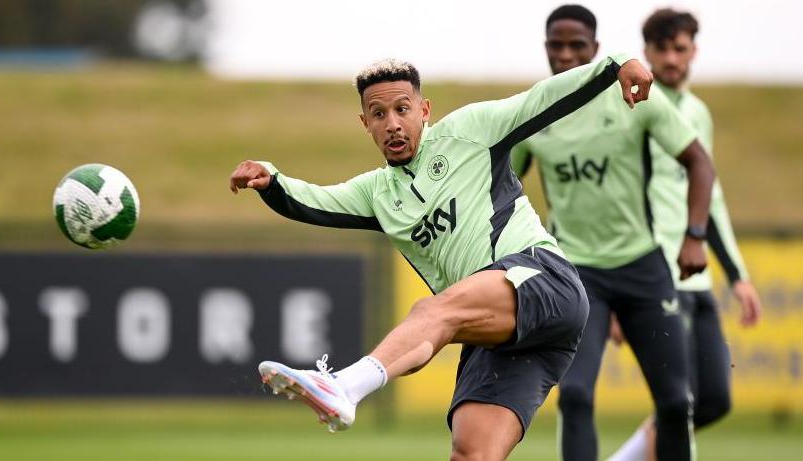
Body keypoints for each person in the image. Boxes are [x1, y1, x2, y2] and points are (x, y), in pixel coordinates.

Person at [229, 52, 654, 460]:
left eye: (402, 109)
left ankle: (343, 385)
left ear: (424, 109)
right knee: (471, 453)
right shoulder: (377, 194)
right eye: (379, 115)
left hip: (542, 280)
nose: (393, 124)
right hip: (498, 332)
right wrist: (271, 180)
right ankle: (345, 388)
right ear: (365, 123)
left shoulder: (470, 131)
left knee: (433, 311)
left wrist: (613, 64)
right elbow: (314, 200)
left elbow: (541, 98)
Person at [509, 5, 715, 461]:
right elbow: (502, 192)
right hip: (577, 276)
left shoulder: (635, 97)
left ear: (596, 50)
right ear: (545, 49)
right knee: (576, 396)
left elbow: (699, 162)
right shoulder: (532, 114)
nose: (565, 55)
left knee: (677, 403)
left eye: (576, 46)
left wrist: (695, 235)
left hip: (644, 269)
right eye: (556, 46)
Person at [606, 9, 763, 461]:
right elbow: (618, 198)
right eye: (662, 49)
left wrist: (738, 275)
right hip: (652, 275)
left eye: (681, 48)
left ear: (694, 50)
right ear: (647, 51)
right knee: (678, 400)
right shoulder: (632, 108)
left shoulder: (698, 113)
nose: (672, 59)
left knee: (713, 399)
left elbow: (709, 199)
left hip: (696, 277)